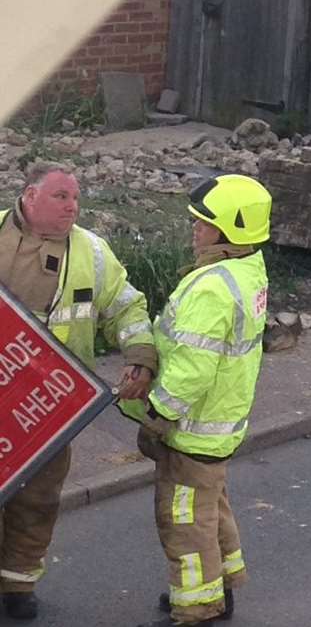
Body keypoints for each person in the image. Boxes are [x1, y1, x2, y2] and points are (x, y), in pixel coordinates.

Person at [0, 162, 157, 621]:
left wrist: (141, 354)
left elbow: (126, 308)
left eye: (76, 198)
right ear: (30, 196)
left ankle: (17, 585)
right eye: (61, 197)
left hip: (49, 405)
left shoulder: (92, 251)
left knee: (38, 498)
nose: (73, 207)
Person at [119, 174, 271, 627]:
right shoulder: (249, 270)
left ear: (228, 232)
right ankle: (220, 586)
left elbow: (193, 369)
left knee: (185, 522)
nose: (194, 230)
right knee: (210, 507)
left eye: (202, 223)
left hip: (191, 427)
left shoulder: (211, 287)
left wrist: (157, 414)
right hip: (221, 424)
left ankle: (198, 606)